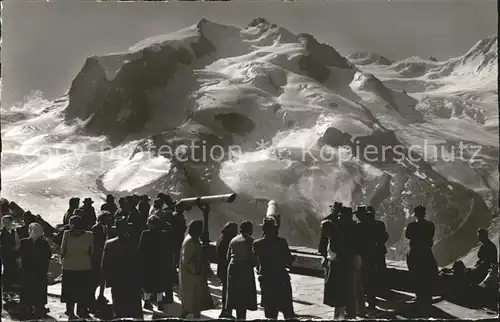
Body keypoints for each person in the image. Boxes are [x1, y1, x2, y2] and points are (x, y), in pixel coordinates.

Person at [101, 218, 143, 319]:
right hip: (132, 281)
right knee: (133, 310)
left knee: (119, 309)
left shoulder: (110, 244)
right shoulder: (134, 242)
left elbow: (104, 265)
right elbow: (140, 262)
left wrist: (108, 279)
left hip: (118, 281)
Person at [253, 217, 295, 319]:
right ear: (275, 229)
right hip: (281, 278)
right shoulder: (282, 242)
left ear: (263, 230)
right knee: (287, 310)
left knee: (270, 312)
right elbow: (288, 261)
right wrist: (293, 258)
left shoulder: (257, 244)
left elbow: (254, 262)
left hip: (266, 280)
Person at [60, 215, 94, 319]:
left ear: (72, 224)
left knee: (70, 291)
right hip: (85, 267)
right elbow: (92, 252)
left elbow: (62, 251)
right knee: (83, 291)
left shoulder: (67, 234)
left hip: (69, 267)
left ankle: (70, 312)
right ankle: (82, 311)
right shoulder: (90, 235)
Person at [138, 215, 175, 311]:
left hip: (148, 263)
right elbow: (168, 251)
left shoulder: (145, 234)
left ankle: (147, 302)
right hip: (160, 263)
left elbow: (141, 250)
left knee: (148, 283)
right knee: (159, 284)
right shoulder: (164, 234)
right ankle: (160, 303)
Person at [179, 219, 214, 318]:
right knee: (190, 304)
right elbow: (187, 260)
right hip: (191, 276)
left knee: (195, 304)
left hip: (194, 276)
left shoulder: (193, 239)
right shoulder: (190, 241)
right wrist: (197, 270)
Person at [405, 205, 438, 309]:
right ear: (424, 214)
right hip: (426, 252)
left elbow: (407, 235)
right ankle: (427, 296)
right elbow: (431, 235)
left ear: (415, 214)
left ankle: (419, 295)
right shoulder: (430, 225)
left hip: (415, 253)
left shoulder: (411, 226)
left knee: (416, 274)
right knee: (427, 274)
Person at [357, 206, 389, 308]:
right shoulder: (379, 224)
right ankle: (374, 295)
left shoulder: (361, 226)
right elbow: (385, 236)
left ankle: (371, 297)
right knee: (373, 275)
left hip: (368, 254)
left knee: (367, 276)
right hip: (376, 253)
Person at [225, 221, 258, 319]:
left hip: (232, 268)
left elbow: (227, 256)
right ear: (249, 230)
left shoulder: (233, 240)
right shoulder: (251, 241)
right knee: (243, 296)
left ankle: (233, 313)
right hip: (244, 269)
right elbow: (253, 259)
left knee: (234, 293)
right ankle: (241, 317)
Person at [19, 223, 52, 318]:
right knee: (27, 288)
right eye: (35, 230)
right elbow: (20, 254)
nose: (37, 232)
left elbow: (48, 255)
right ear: (30, 231)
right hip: (27, 269)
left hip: (39, 270)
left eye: (38, 230)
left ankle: (39, 307)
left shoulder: (44, 243)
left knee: (39, 289)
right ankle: (27, 306)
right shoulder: (24, 242)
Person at [339, 206, 366, 319]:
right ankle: (361, 310)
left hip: (351, 257)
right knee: (358, 285)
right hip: (357, 257)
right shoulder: (356, 227)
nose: (340, 218)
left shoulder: (349, 228)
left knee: (350, 286)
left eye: (341, 216)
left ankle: (351, 312)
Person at [319, 215, 348, 319]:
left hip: (337, 267)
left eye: (323, 230)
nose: (322, 232)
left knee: (338, 293)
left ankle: (339, 317)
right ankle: (338, 316)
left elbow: (341, 253)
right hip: (334, 265)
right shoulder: (333, 237)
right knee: (337, 294)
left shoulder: (336, 239)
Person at [216, 222, 238, 318]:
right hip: (227, 269)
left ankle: (224, 311)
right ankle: (227, 312)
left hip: (221, 268)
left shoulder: (221, 239)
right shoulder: (229, 241)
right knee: (229, 291)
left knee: (226, 290)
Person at [91, 211, 112, 308]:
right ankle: (92, 297)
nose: (109, 219)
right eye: (108, 218)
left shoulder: (105, 227)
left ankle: (101, 295)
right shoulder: (96, 228)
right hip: (97, 256)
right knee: (96, 278)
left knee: (103, 277)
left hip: (104, 255)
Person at [0, 215, 20, 303]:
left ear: (11, 223)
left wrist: (16, 249)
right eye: (4, 222)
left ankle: (11, 291)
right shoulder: (2, 233)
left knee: (12, 272)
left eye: (7, 222)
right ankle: (5, 291)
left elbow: (17, 242)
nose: (5, 224)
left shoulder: (13, 231)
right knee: (7, 272)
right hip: (6, 255)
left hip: (13, 255)